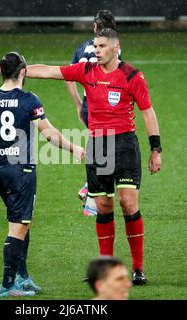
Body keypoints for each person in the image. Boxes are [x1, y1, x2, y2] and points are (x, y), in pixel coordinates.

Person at [0, 28, 162, 286]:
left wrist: (156, 149)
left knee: (128, 203)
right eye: (96, 46)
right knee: (103, 206)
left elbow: (148, 112)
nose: (96, 51)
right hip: (98, 146)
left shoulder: (133, 76)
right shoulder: (86, 70)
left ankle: (138, 268)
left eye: (101, 46)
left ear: (116, 47)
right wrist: (9, 71)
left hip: (124, 145)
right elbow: (49, 70)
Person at [0, 52, 85, 297]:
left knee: (22, 221)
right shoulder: (29, 99)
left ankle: (22, 276)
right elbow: (49, 133)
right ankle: (7, 285)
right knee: (18, 227)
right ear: (23, 71)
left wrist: (1, 137)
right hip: (21, 171)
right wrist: (74, 147)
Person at [66, 10, 122, 217]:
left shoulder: (82, 48)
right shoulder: (112, 48)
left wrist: (78, 104)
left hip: (89, 104)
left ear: (95, 27)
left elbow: (69, 76)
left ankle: (90, 192)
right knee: (113, 149)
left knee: (102, 147)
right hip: (105, 105)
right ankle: (90, 191)